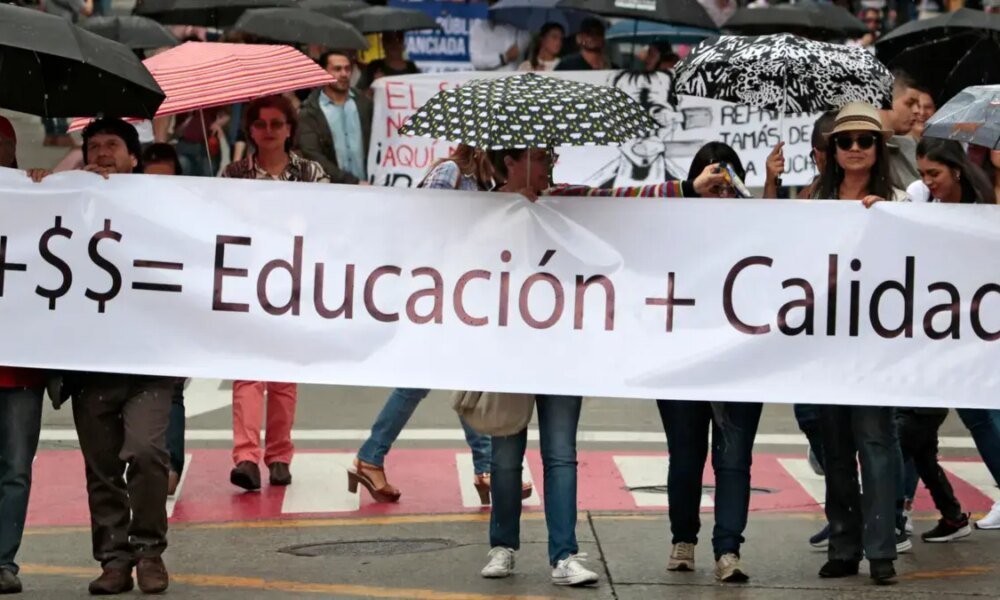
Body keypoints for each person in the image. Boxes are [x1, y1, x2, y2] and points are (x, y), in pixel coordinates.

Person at [28, 118, 174, 595]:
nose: (103, 153)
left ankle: (150, 550)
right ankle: (114, 559)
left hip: (148, 363)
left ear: (135, 157)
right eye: (94, 146)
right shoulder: (66, 202)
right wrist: (40, 184)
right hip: (89, 365)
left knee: (149, 454)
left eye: (113, 145)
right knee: (103, 469)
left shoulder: (165, 206)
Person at [351, 146, 531, 506]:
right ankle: (483, 468)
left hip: (458, 293)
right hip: (435, 290)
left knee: (427, 381)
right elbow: (423, 222)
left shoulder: (484, 185)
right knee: (453, 376)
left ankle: (371, 458)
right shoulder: (451, 173)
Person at [655, 144, 760, 584]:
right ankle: (684, 539)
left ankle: (728, 549)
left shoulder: (759, 226)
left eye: (727, 182)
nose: (719, 191)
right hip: (682, 362)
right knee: (685, 456)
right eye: (709, 181)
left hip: (740, 363)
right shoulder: (671, 223)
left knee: (734, 459)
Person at [809, 103, 902, 585]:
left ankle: (882, 549)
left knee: (876, 442)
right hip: (828, 344)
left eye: (865, 140)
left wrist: (893, 216)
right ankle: (844, 545)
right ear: (832, 150)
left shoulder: (901, 200)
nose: (855, 149)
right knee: (838, 447)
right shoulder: (814, 201)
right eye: (845, 141)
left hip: (876, 346)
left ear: (878, 148)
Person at [222, 96, 328, 492]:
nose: (268, 130)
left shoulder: (311, 173)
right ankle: (246, 457)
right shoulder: (234, 175)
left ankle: (280, 455)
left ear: (289, 129)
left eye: (276, 123)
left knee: (284, 377)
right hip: (247, 282)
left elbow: (333, 220)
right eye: (261, 124)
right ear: (250, 130)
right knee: (248, 374)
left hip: (295, 282)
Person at [141, 143, 188, 496]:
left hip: (175, 313)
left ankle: (171, 463)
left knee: (171, 387)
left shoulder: (194, 209)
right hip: (135, 314)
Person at [0, 351, 44, 595]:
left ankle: (3, 562)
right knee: (16, 472)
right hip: (23, 373)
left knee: (16, 471)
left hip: (23, 375)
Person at [896, 408, 973, 543]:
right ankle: (953, 518)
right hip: (926, 407)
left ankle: (891, 529)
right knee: (926, 462)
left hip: (914, 407)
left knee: (890, 462)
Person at [298, 51, 373, 185]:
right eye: (337, 69)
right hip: (332, 190)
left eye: (347, 69)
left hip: (369, 187)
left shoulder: (365, 105)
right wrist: (352, 182)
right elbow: (313, 155)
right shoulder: (310, 112)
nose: (344, 74)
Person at [764, 111, 838, 200]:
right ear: (817, 156)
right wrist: (770, 182)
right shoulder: (811, 193)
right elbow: (772, 213)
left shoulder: (811, 193)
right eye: (846, 144)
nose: (854, 149)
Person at [905, 138, 996, 205]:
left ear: (956, 171)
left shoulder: (979, 201)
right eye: (922, 174)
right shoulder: (917, 193)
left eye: (934, 174)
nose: (927, 181)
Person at [878, 71, 922, 187]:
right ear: (885, 100)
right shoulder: (861, 146)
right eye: (909, 103)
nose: (917, 111)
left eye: (918, 105)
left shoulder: (913, 146)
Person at [469, 2, 531, 71]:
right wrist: (503, 58)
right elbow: (476, 61)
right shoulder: (479, 25)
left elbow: (520, 47)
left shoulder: (519, 28)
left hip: (512, 77)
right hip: (487, 78)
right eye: (492, 4)